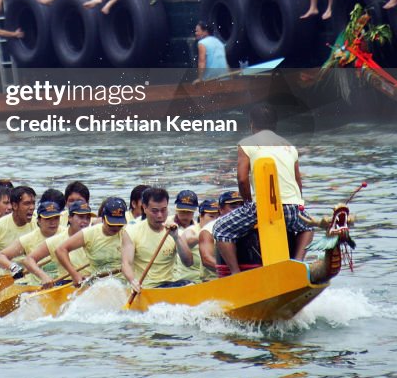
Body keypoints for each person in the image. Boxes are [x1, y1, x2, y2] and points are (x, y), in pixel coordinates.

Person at [213, 104, 313, 274]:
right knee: (308, 228)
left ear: (251, 124)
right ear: (275, 124)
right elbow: (298, 182)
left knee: (220, 229)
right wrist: (298, 206)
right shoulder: (289, 146)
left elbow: (242, 179)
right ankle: (297, 263)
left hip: (264, 209)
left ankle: (236, 273)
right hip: (294, 208)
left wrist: (247, 203)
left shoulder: (246, 144)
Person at [122, 187, 194, 292]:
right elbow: (126, 263)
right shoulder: (131, 231)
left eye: (163, 210)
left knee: (190, 284)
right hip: (145, 288)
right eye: (154, 211)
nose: (160, 215)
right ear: (144, 208)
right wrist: (133, 282)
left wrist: (176, 238)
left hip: (168, 285)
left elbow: (188, 262)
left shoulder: (174, 230)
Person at [55, 196, 128, 285]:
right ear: (103, 219)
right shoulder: (89, 233)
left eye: (119, 225)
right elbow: (60, 250)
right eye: (111, 224)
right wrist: (74, 274)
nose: (116, 228)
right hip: (99, 285)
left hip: (125, 284)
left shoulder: (128, 233)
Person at [22, 200, 93, 287]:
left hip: (92, 281)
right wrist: (43, 276)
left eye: (88, 218)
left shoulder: (96, 235)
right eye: (81, 217)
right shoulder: (57, 240)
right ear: (69, 218)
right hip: (68, 284)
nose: (85, 221)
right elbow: (28, 260)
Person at [0, 200, 64, 280]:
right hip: (38, 285)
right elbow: (0, 257)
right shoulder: (28, 239)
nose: (53, 222)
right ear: (39, 220)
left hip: (65, 281)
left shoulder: (67, 234)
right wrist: (13, 267)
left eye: (56, 218)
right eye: (48, 219)